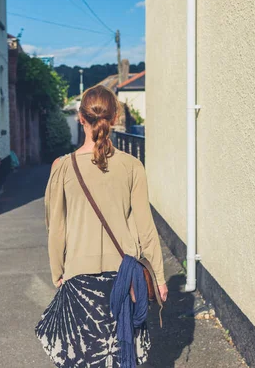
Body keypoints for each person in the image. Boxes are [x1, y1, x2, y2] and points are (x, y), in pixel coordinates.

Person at [35, 85, 169, 367]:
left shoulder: (62, 166)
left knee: (86, 358)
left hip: (78, 277)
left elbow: (56, 228)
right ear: (115, 116)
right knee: (121, 356)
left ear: (80, 118)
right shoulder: (132, 166)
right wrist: (158, 275)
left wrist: (57, 271)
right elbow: (146, 227)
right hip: (125, 277)